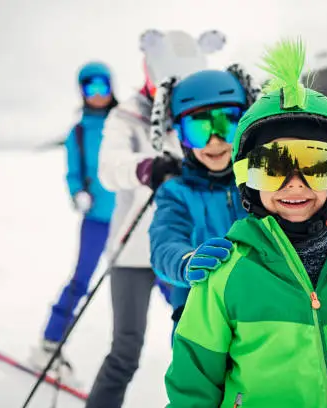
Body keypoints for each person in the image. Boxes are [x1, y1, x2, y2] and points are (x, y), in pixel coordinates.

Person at [165, 38, 327, 407]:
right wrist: (185, 261)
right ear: (247, 177)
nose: (295, 182)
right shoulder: (225, 277)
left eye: (317, 166)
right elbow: (192, 390)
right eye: (272, 167)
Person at [84, 29, 226, 408]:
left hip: (182, 247)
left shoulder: (196, 111)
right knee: (125, 351)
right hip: (133, 252)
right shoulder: (127, 115)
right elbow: (109, 168)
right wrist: (148, 167)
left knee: (198, 341)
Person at [148, 66, 256, 339]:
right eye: (198, 129)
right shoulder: (176, 193)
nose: (215, 141)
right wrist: (187, 261)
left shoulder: (264, 182)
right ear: (181, 138)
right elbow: (164, 244)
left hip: (265, 315)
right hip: (201, 322)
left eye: (225, 125)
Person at [29, 61, 118, 380]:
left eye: (103, 87)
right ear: (82, 92)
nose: (97, 95)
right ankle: (49, 344)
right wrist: (77, 192)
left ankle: (201, 349)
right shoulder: (78, 133)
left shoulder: (124, 123)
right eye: (90, 88)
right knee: (81, 279)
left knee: (162, 278)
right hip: (96, 219)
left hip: (130, 218)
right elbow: (73, 173)